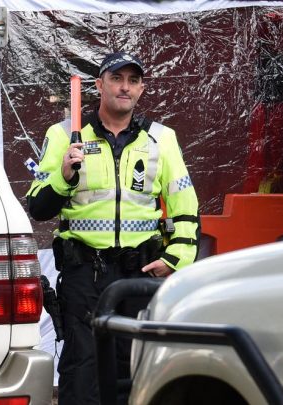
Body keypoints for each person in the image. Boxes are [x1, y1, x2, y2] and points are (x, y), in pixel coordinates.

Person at [25, 51, 200, 405]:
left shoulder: (161, 139)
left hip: (139, 271)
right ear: (99, 85)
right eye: (117, 79)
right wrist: (63, 176)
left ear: (141, 89)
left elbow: (185, 203)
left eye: (133, 81)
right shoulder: (63, 135)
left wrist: (178, 257)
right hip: (84, 273)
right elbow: (38, 206)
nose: (125, 87)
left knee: (135, 363)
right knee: (82, 366)